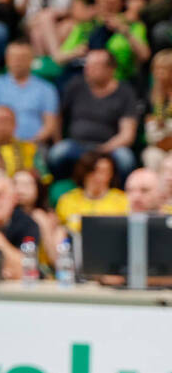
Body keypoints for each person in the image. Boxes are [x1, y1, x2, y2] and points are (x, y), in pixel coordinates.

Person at [51, 49, 140, 181]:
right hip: (77, 145)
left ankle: (122, 191)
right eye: (87, 65)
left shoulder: (125, 93)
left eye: (95, 66)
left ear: (110, 69)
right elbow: (58, 116)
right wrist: (57, 140)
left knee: (125, 158)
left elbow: (127, 134)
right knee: (57, 152)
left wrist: (104, 149)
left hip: (110, 147)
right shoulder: (76, 85)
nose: (88, 70)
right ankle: (63, 187)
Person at [54, 150, 130, 234]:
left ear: (111, 174)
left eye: (103, 171)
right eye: (93, 171)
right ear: (84, 172)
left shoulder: (123, 200)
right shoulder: (67, 200)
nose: (97, 177)